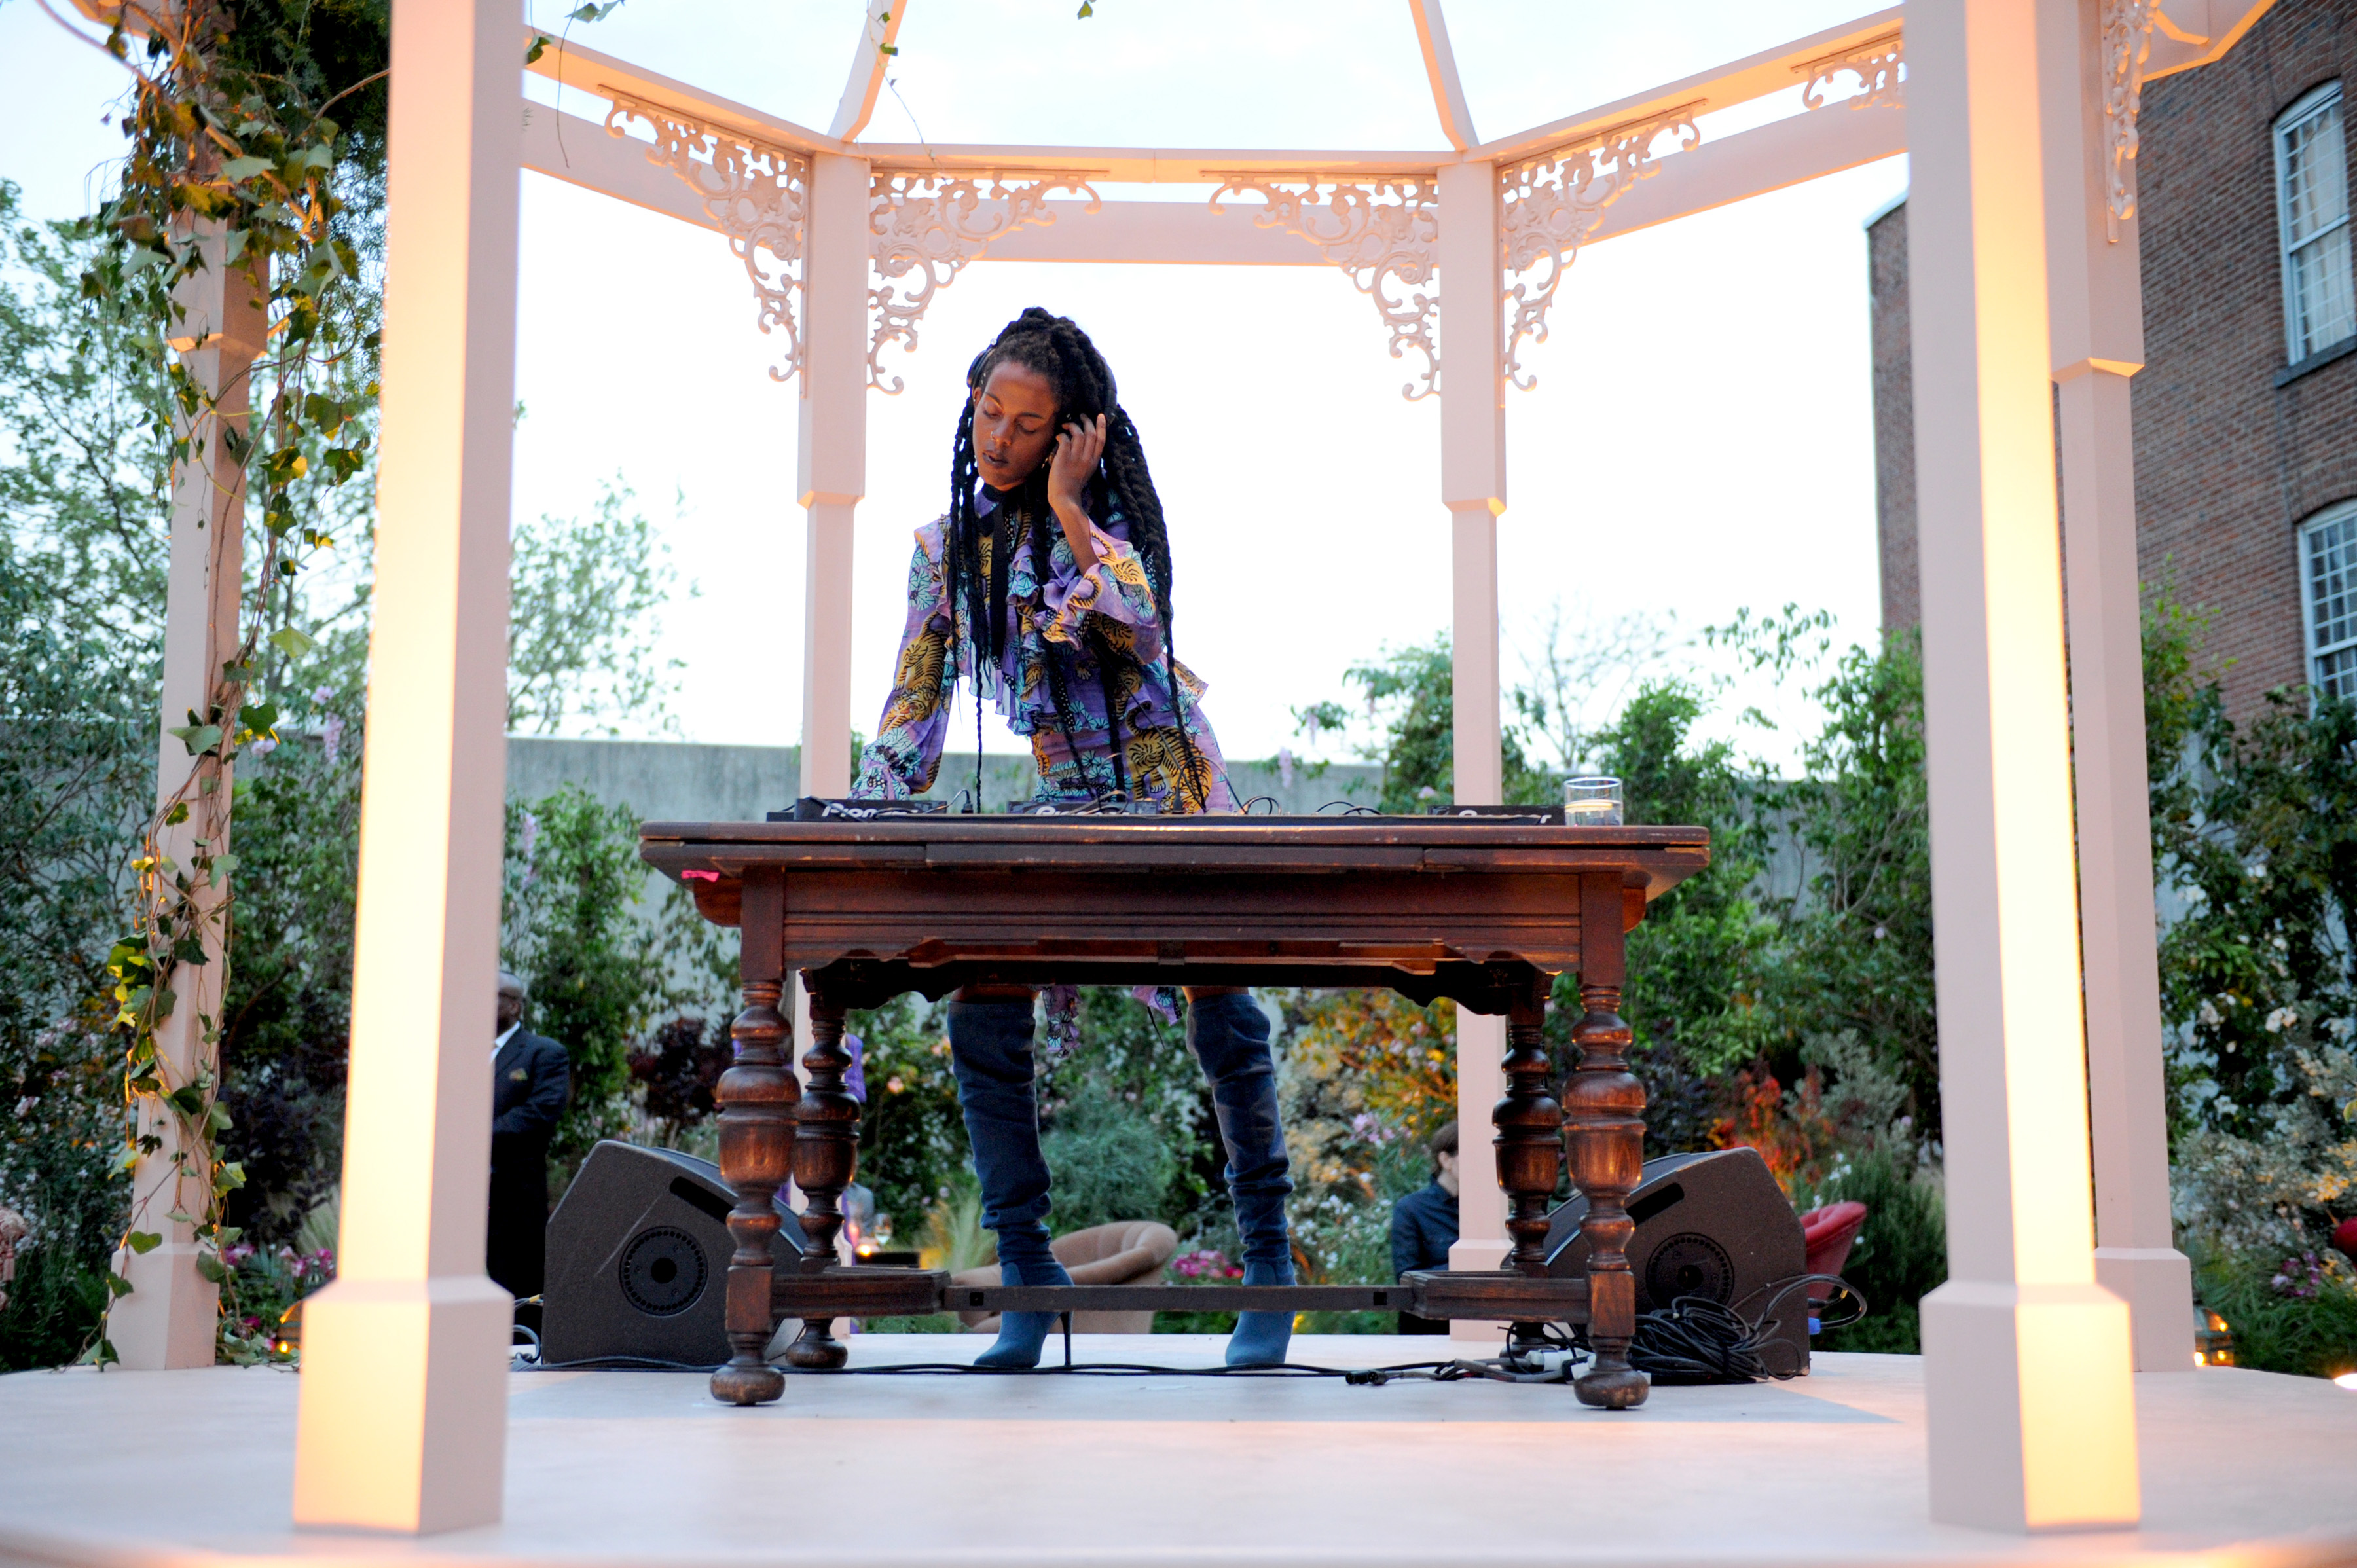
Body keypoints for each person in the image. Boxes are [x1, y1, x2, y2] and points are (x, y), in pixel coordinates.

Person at [849, 307, 1292, 1368]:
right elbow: (913, 712)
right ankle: (1028, 1274)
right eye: (988, 413)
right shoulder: (942, 552)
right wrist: (860, 814)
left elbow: (1135, 616)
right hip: (1066, 816)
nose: (1000, 438)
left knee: (1225, 1019)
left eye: (1028, 423)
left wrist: (1066, 507)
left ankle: (1271, 1274)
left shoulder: (1105, 531)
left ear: (1067, 435)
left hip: (1174, 796)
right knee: (980, 1014)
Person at [489, 970, 570, 1324]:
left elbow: (540, 1114)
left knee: (515, 1279)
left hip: (513, 1190)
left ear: (514, 1005)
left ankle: (520, 1348)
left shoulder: (544, 1053)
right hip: (456, 1191)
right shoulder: (455, 1050)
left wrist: (471, 1135)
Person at [1389, 1121, 1461, 1334]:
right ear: (1446, 1160)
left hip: (1483, 1327)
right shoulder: (1411, 1209)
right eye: (1474, 1155)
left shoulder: (1491, 1208)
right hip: (1428, 1332)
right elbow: (1406, 1277)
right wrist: (1468, 1266)